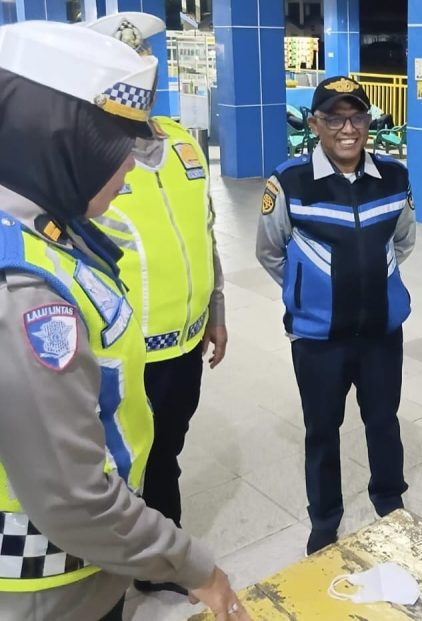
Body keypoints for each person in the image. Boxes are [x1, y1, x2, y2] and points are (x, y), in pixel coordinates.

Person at [0, 18, 250, 621]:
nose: (130, 170)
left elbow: (204, 232)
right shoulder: (26, 292)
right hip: (44, 583)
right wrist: (196, 567)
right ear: (62, 150)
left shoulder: (46, 228)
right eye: (115, 154)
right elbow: (73, 496)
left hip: (90, 564)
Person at [84, 13, 228, 595]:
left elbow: (208, 231)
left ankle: (159, 563)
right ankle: (107, 574)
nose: (137, 79)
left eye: (143, 63)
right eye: (122, 68)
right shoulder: (88, 153)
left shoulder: (182, 139)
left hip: (186, 344)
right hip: (122, 358)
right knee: (117, 469)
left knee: (166, 451)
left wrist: (217, 309)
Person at [256, 76, 416, 555]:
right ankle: (325, 519)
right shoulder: (288, 182)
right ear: (315, 124)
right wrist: (311, 289)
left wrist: (371, 281)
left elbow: (404, 240)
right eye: (334, 118)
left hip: (382, 334)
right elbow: (270, 252)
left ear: (368, 122)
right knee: (322, 431)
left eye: (357, 117)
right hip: (318, 340)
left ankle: (391, 504)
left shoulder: (394, 176)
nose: (348, 128)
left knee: (384, 422)